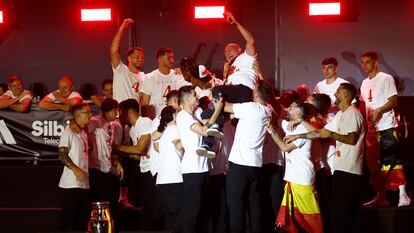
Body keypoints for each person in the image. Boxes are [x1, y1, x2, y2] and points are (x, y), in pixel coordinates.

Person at [286, 83, 365, 233]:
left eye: (338, 91)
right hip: (342, 169)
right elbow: (321, 132)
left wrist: (332, 134)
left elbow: (352, 139)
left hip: (350, 170)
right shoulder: (341, 114)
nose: (335, 94)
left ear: (346, 95)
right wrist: (299, 135)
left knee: (342, 214)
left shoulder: (353, 114)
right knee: (342, 213)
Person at [359, 51, 411, 207]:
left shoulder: (386, 78)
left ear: (375, 62)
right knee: (374, 163)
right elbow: (364, 105)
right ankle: (381, 195)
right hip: (371, 129)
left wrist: (379, 110)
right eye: (362, 62)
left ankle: (403, 193)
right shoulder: (363, 83)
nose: (364, 65)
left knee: (391, 159)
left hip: (386, 126)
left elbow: (393, 101)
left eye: (367, 61)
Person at [223, 80, 273, 233]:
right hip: (255, 164)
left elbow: (225, 106)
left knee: (235, 202)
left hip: (240, 163)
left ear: (257, 93)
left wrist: (220, 92)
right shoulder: (267, 111)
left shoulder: (251, 108)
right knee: (253, 200)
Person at [267, 100, 323, 233]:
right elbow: (277, 117)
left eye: (291, 107)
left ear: (298, 113)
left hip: (302, 180)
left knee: (309, 221)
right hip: (293, 180)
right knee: (292, 222)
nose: (287, 109)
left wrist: (272, 133)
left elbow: (285, 147)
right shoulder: (289, 125)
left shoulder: (303, 129)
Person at [176, 85, 223, 233]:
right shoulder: (183, 115)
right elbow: (203, 130)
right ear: (187, 98)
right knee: (193, 209)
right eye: (194, 95)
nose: (197, 97)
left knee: (202, 209)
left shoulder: (193, 115)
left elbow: (205, 124)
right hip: (192, 169)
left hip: (203, 168)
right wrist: (217, 110)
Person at [116, 99, 163, 230]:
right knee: (146, 206)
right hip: (144, 169)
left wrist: (116, 148)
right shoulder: (132, 129)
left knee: (154, 206)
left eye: (121, 111)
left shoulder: (145, 122)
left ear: (129, 111)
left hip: (153, 170)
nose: (119, 115)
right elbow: (137, 155)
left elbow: (140, 149)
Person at [87, 98, 124, 231]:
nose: (117, 113)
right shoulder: (95, 121)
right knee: (99, 203)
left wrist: (117, 162)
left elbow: (109, 148)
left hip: (107, 168)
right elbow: (84, 131)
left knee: (110, 202)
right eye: (115, 110)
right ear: (110, 110)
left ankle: (109, 227)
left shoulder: (111, 125)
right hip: (96, 169)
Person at [57, 103, 91, 231]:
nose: (90, 115)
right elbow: (61, 154)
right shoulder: (69, 131)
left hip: (84, 183)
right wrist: (75, 168)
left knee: (82, 219)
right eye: (87, 113)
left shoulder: (83, 132)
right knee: (68, 218)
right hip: (72, 183)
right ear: (78, 115)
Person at [155, 106, 184, 233]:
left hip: (163, 180)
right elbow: (178, 145)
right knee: (177, 219)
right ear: (173, 116)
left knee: (170, 219)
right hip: (174, 179)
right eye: (177, 113)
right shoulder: (174, 130)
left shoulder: (165, 132)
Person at [139, 47, 189, 118]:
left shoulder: (178, 75)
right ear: (160, 60)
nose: (172, 60)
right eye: (169, 58)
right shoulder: (150, 77)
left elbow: (187, 93)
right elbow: (145, 104)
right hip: (156, 120)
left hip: (175, 119)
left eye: (172, 57)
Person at [110, 18, 145, 103]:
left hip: (136, 115)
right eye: (137, 57)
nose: (140, 59)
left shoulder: (144, 77)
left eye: (142, 57)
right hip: (121, 114)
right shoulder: (121, 70)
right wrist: (122, 29)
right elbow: (113, 50)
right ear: (129, 58)